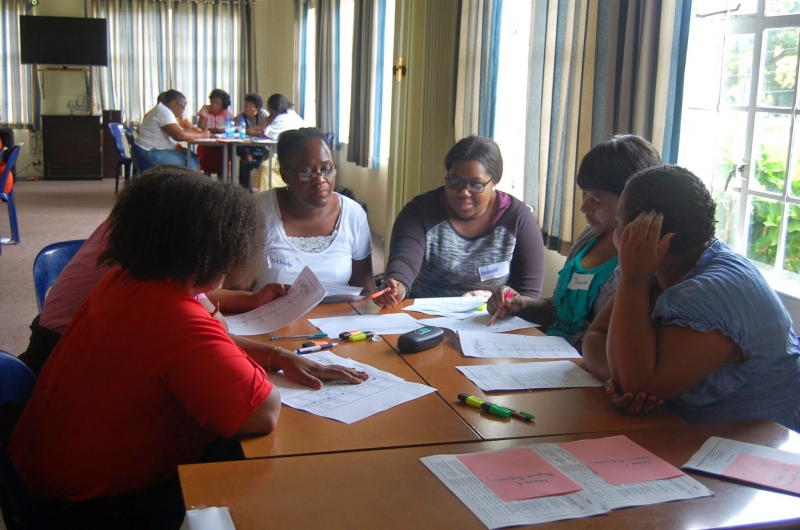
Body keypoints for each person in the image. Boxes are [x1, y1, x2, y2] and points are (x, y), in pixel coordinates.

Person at [8, 167, 367, 529]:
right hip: (92, 509)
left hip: (47, 479)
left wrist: (277, 356)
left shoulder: (126, 280)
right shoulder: (171, 315)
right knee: (264, 477)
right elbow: (261, 412)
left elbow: (210, 333)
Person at [582, 165, 800, 430]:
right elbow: (596, 338)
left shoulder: (708, 293)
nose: (614, 232)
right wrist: (618, 380)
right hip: (700, 431)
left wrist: (633, 281)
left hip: (766, 436)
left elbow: (636, 383)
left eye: (619, 224)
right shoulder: (662, 264)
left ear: (648, 237)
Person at [486, 135, 662, 348]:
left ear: (631, 200)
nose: (584, 208)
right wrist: (521, 304)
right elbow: (558, 312)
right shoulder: (591, 235)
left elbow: (619, 342)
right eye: (584, 195)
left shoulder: (643, 258)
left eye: (597, 200)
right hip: (550, 352)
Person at [374, 136, 545, 308]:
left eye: (476, 184)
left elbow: (527, 295)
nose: (463, 192)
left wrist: (511, 307)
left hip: (490, 319)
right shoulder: (419, 212)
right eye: (454, 182)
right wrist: (397, 286)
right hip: (423, 316)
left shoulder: (517, 219)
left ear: (495, 180)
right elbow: (405, 260)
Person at [253, 128, 374, 294]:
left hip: (338, 311)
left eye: (327, 169)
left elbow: (366, 289)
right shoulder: (257, 212)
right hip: (271, 311)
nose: (320, 180)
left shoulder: (353, 215)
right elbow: (237, 291)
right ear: (285, 175)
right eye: (307, 173)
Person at [135, 89, 210, 169]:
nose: (182, 111)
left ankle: (189, 177)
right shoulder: (163, 111)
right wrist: (203, 134)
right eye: (182, 107)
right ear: (173, 103)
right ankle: (186, 177)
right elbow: (179, 136)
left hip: (156, 150)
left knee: (193, 158)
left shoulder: (165, 111)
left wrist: (202, 133)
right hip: (150, 152)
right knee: (190, 161)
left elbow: (184, 131)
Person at [234, 92, 271, 187]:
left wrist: (254, 130)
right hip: (246, 145)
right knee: (245, 158)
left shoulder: (263, 115)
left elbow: (268, 129)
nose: (247, 109)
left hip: (262, 146)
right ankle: (245, 187)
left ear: (257, 109)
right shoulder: (241, 116)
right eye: (245, 106)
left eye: (251, 107)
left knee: (262, 156)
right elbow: (236, 128)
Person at [197, 88, 235, 176]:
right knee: (206, 156)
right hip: (207, 143)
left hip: (222, 143)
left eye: (218, 103)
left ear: (223, 105)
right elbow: (201, 126)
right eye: (213, 101)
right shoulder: (205, 109)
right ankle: (206, 180)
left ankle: (223, 179)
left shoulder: (226, 111)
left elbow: (232, 126)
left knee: (224, 157)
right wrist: (211, 130)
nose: (214, 105)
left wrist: (223, 130)